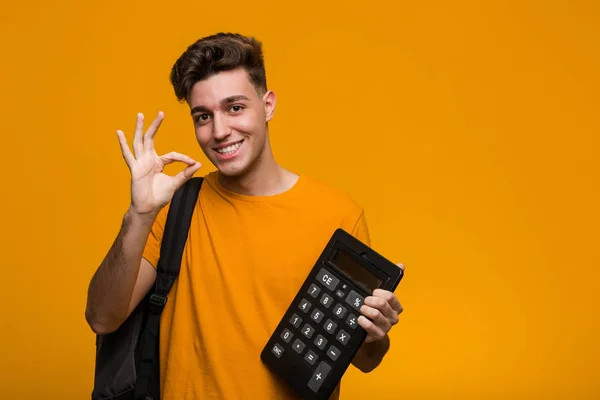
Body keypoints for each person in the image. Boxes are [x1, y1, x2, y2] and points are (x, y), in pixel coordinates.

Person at [85, 32, 405, 400]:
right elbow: (102, 318)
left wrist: (376, 333)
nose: (219, 132)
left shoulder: (338, 213)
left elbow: (365, 359)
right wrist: (139, 214)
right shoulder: (172, 208)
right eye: (203, 116)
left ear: (267, 105)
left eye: (234, 107)